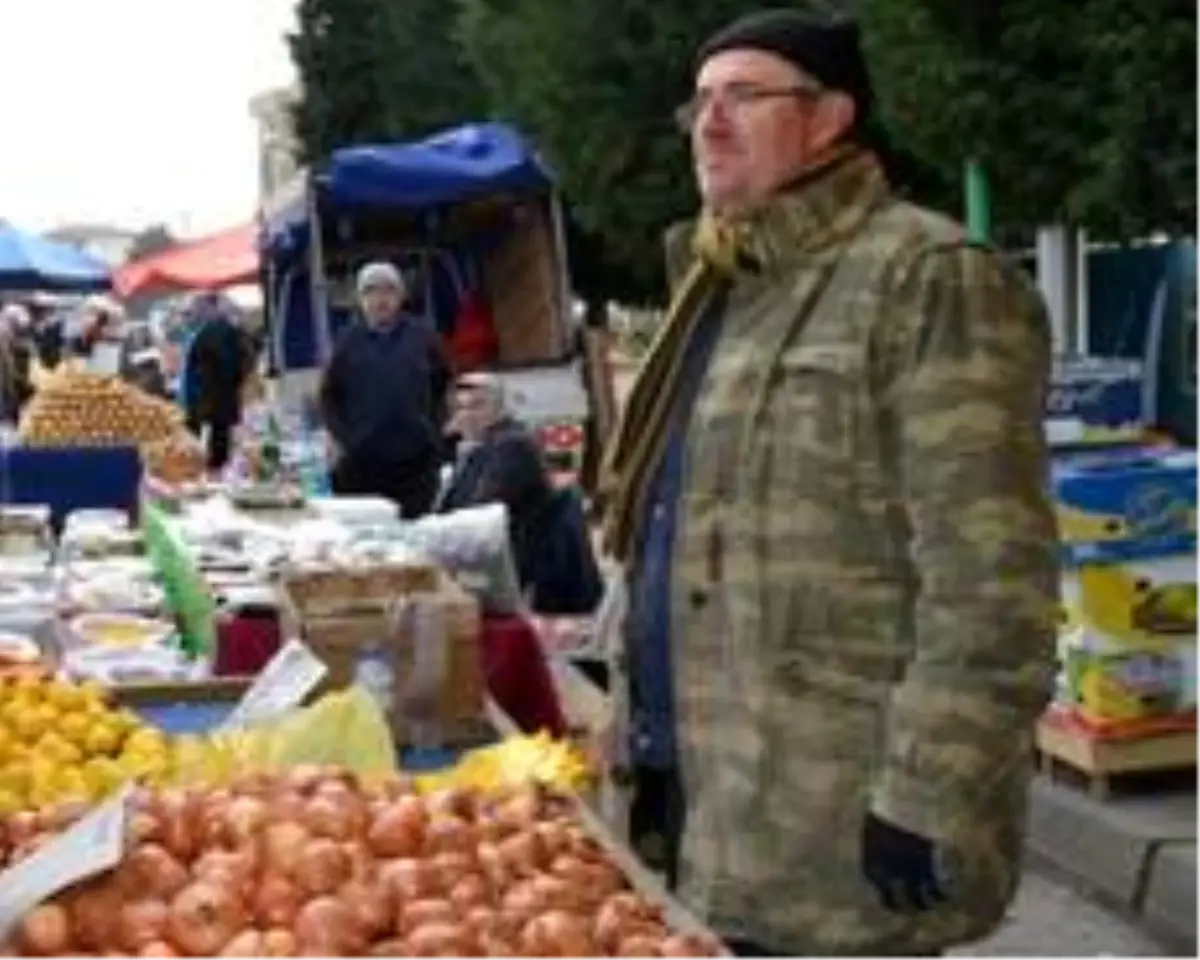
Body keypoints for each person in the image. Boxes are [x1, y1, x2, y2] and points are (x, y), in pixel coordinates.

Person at [598, 8, 1059, 959]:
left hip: (829, 816)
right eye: (701, 103)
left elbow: (992, 583)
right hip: (699, 797)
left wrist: (928, 791)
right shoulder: (716, 284)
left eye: (746, 97)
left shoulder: (926, 279)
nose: (710, 123)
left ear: (830, 117)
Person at [437, 372, 602, 613]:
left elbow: (482, 508)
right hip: (492, 549)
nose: (466, 416)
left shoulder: (513, 445)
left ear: (500, 408)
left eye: (477, 406)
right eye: (460, 408)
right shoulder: (483, 444)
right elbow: (448, 504)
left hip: (513, 557)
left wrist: (464, 448)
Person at [319, 262, 450, 518]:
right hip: (363, 463)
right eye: (371, 292)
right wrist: (345, 438)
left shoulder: (423, 336)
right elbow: (329, 396)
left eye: (389, 291)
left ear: (401, 296)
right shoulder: (347, 341)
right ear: (360, 299)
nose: (381, 299)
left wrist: (432, 430)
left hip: (415, 463)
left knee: (415, 536)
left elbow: (444, 385)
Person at [181, 295, 254, 473]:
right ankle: (210, 470)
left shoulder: (216, 331)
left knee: (212, 450)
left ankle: (209, 473)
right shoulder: (213, 330)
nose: (192, 314)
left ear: (210, 307)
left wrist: (214, 394)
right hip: (212, 401)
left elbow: (226, 366)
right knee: (215, 446)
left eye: (196, 308)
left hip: (210, 402)